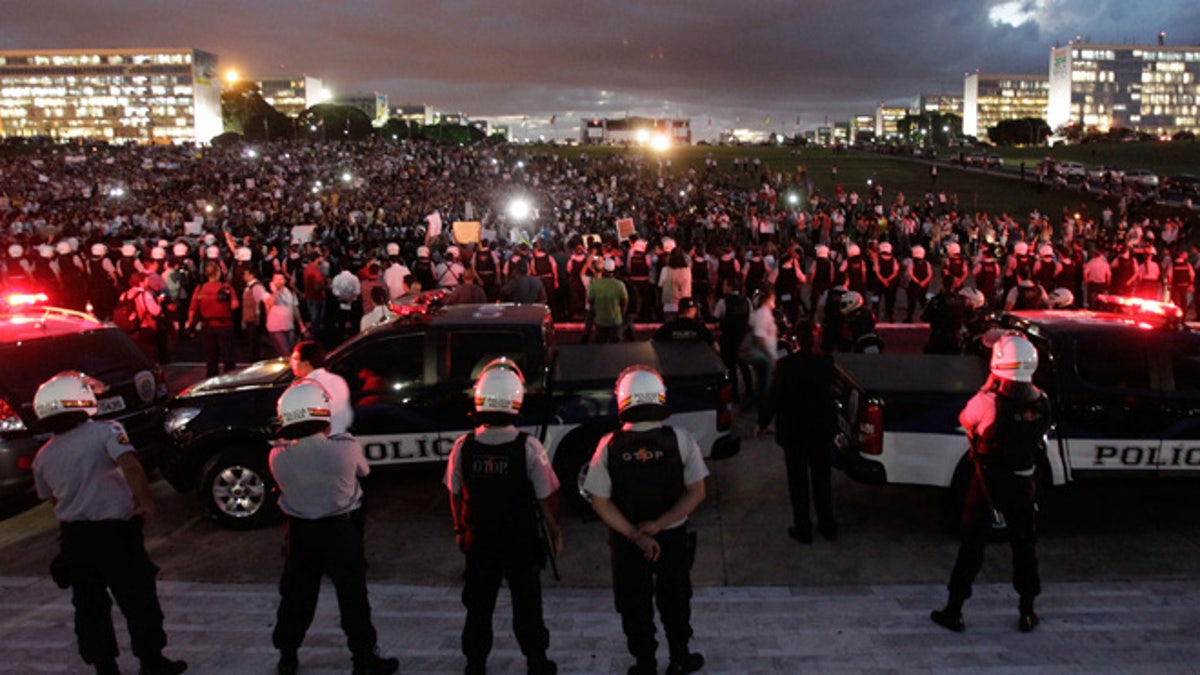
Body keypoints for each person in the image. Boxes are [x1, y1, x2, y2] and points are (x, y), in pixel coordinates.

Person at [30, 371, 187, 675]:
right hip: (116, 532)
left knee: (89, 607)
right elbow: (131, 466)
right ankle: (151, 660)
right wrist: (145, 503)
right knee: (138, 600)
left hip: (76, 538)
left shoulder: (43, 456)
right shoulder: (106, 432)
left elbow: (51, 499)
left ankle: (104, 666)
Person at [268, 379, 399, 675]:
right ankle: (364, 657)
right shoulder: (345, 448)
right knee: (353, 597)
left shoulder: (277, 456)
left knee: (297, 597)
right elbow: (364, 471)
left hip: (301, 534)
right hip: (341, 533)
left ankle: (288, 654)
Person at [583, 367, 708, 675]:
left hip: (628, 542)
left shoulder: (608, 445)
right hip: (672, 538)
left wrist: (636, 534)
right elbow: (697, 492)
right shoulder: (681, 440)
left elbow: (599, 501)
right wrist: (661, 524)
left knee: (633, 604)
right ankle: (680, 658)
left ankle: (645, 663)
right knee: (676, 598)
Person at [444, 359, 562, 675]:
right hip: (520, 543)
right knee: (527, 606)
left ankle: (475, 663)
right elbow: (546, 496)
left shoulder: (463, 446)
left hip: (479, 541)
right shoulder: (529, 447)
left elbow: (454, 493)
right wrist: (555, 532)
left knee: (478, 607)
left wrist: (459, 530)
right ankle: (536, 662)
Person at [932, 334, 1051, 634]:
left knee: (971, 548)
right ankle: (1027, 611)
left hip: (987, 484)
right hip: (1024, 483)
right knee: (1025, 548)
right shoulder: (1042, 401)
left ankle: (954, 610)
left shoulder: (989, 400)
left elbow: (966, 419)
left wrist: (989, 385)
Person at [756, 321, 838, 543]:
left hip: (795, 431)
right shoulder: (826, 363)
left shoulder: (787, 365)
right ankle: (827, 525)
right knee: (822, 480)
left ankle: (803, 528)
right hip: (820, 430)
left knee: (798, 482)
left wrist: (763, 422)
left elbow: (775, 395)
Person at [289, 340, 353, 436]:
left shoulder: (303, 387)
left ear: (306, 363)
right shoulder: (338, 380)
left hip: (318, 442)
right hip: (342, 437)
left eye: (295, 358)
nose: (291, 362)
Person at [187, 260, 239, 378]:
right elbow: (234, 305)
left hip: (207, 326)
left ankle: (211, 380)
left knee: (211, 358)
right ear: (218, 273)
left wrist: (190, 324)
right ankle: (230, 380)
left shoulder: (199, 289)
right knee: (228, 357)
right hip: (225, 325)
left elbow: (192, 309)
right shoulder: (226, 287)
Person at [265, 272, 306, 358]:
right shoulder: (268, 292)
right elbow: (269, 303)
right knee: (285, 351)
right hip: (276, 327)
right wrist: (275, 292)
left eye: (281, 279)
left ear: (284, 281)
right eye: (276, 279)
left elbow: (294, 307)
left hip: (289, 325)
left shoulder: (289, 291)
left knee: (292, 350)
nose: (278, 281)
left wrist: (301, 324)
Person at [587, 257, 628, 343]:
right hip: (615, 320)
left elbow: (590, 301)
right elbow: (624, 302)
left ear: (603, 270)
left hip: (600, 320)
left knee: (600, 344)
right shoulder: (620, 285)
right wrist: (621, 313)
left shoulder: (595, 284)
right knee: (615, 346)